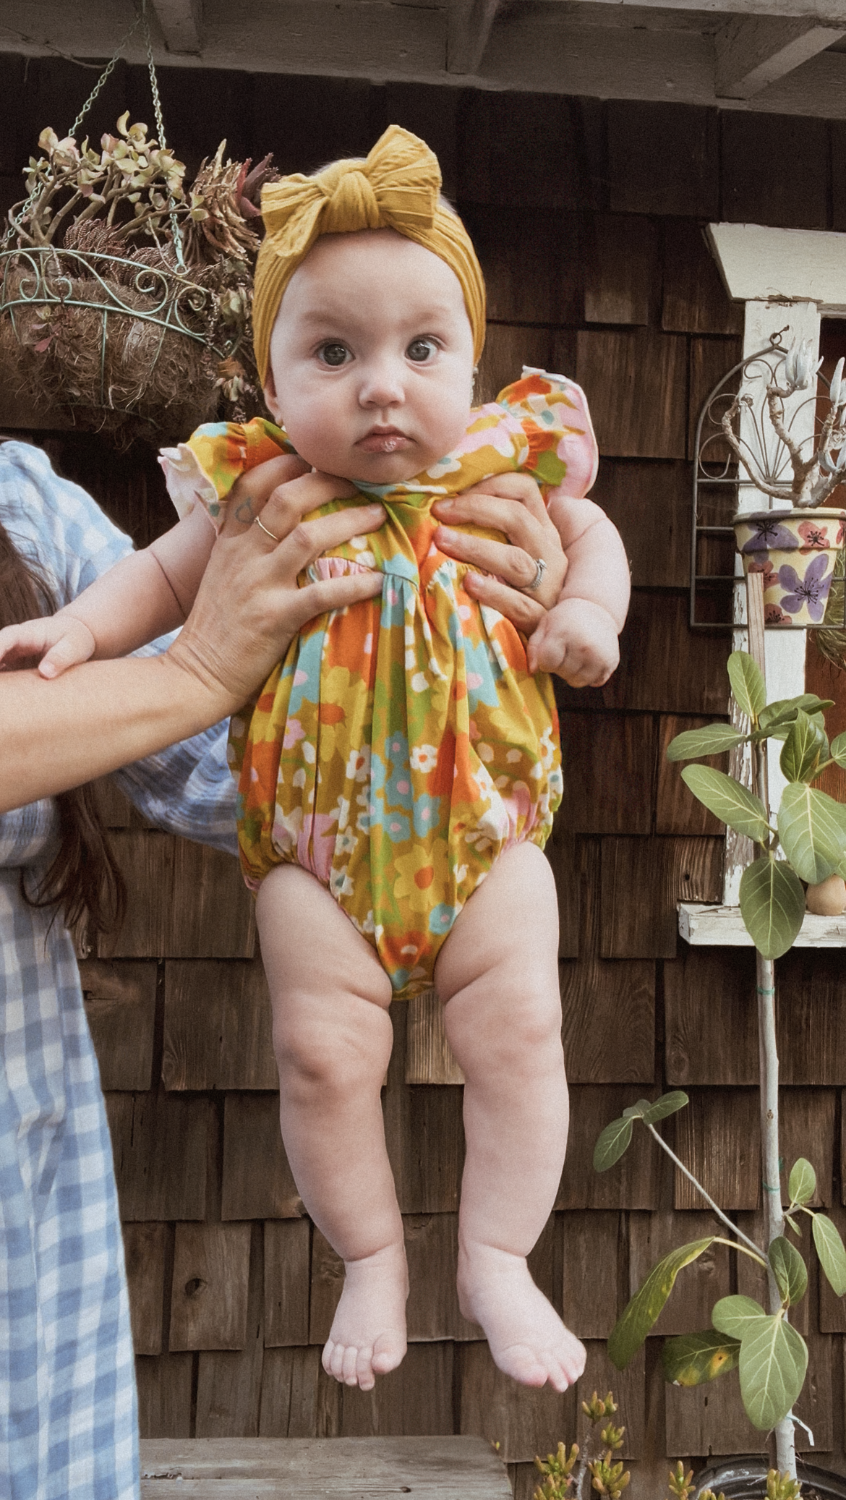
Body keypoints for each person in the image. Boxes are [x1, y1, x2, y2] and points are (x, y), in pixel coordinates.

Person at [0, 126, 631, 1397]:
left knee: (521, 1028)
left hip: (488, 832)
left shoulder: (505, 460)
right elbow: (156, 579)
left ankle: (499, 1256)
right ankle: (373, 1256)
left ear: (472, 360)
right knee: (323, 1056)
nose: (383, 386)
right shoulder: (262, 487)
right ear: (274, 384)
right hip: (315, 854)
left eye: (421, 349)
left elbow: (594, 533)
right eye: (334, 354)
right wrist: (83, 631)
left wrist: (586, 615)